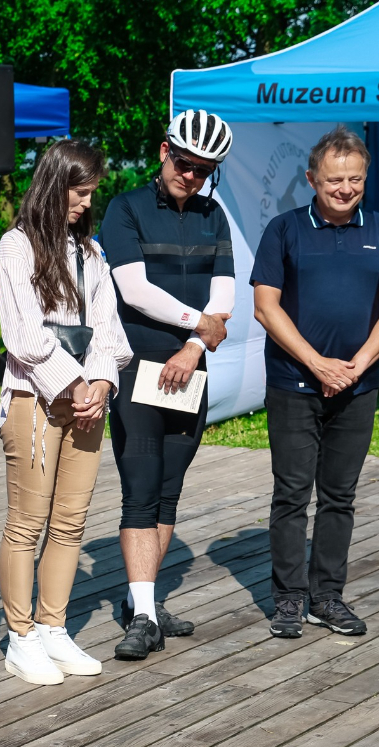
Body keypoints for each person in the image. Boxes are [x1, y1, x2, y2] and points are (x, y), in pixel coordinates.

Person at [252, 125, 379, 639]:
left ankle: (326, 597)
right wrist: (317, 364)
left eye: (355, 179)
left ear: (366, 177)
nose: (345, 189)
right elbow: (265, 307)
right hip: (293, 383)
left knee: (340, 496)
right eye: (334, 180)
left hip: (358, 386)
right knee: (292, 494)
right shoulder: (284, 230)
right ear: (311, 179)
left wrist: (356, 365)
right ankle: (289, 598)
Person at [0, 140, 133, 684]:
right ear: (54, 184)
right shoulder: (15, 247)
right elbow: (23, 334)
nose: (86, 201)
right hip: (33, 397)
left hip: (85, 400)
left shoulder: (91, 253)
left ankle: (53, 626)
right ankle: (21, 635)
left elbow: (109, 331)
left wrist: (100, 383)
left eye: (91, 191)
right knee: (27, 522)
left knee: (71, 520)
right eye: (79, 190)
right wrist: (74, 383)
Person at [101, 109, 236, 661]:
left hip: (189, 366)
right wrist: (198, 324)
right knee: (140, 487)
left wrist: (194, 346)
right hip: (137, 365)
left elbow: (224, 296)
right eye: (184, 163)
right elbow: (134, 290)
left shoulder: (213, 215)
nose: (192, 176)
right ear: (164, 151)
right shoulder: (126, 207)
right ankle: (142, 619)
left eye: (204, 170)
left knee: (168, 490)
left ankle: (146, 605)